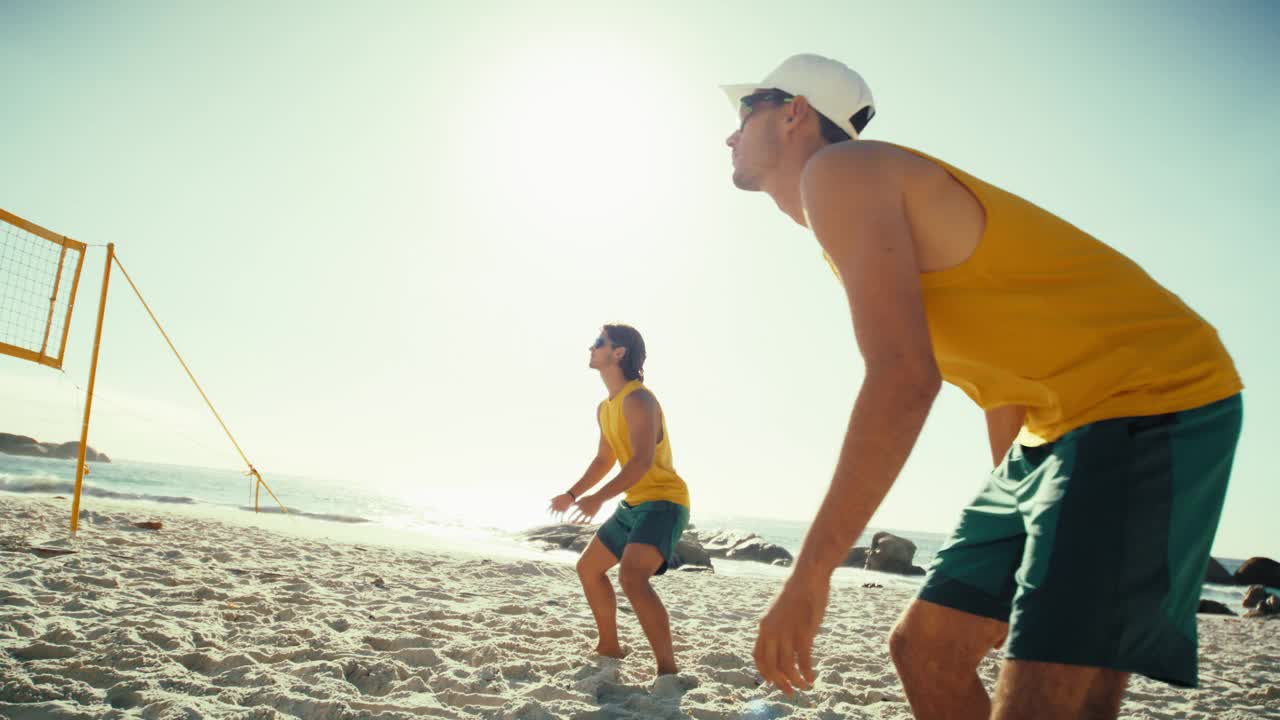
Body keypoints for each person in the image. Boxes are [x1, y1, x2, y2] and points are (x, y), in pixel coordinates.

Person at [721, 53, 1243, 719]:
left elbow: (905, 380)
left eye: (747, 110)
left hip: (1153, 395)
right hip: (1057, 431)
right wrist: (1033, 547)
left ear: (793, 112)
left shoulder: (841, 172)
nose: (730, 132)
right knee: (927, 651)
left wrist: (810, 574)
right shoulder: (850, 219)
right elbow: (1002, 389)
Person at [548, 324, 692, 679]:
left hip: (663, 501)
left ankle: (668, 671)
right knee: (589, 568)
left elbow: (641, 462)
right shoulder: (606, 407)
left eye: (599, 343)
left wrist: (599, 498)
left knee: (632, 577)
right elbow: (603, 460)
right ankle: (609, 645)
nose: (591, 347)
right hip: (634, 503)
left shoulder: (639, 399)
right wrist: (572, 493)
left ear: (619, 353)